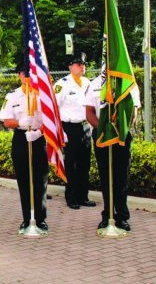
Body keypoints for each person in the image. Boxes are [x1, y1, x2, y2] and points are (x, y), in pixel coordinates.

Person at [85, 75, 141, 232]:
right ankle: (108, 214)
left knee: (121, 176)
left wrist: (120, 131)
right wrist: (104, 129)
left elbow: (133, 110)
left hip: (122, 136)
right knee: (105, 176)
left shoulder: (128, 81)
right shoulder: (95, 83)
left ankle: (122, 216)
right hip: (102, 135)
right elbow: (89, 111)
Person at [0, 71, 48, 234]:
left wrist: (38, 132)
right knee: (24, 180)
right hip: (21, 138)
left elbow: (51, 120)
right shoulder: (13, 96)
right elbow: (6, 121)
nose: (28, 77)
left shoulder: (43, 95)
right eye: (25, 74)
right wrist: (20, 122)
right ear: (19, 75)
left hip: (38, 137)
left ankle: (40, 220)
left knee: (40, 180)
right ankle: (27, 219)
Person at [54, 52, 96, 210]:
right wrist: (60, 130)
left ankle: (83, 196)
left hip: (85, 126)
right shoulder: (62, 84)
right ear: (70, 67)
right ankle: (71, 197)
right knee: (71, 164)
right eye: (78, 64)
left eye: (83, 64)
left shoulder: (87, 82)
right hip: (69, 127)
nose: (82, 67)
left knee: (85, 163)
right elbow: (54, 108)